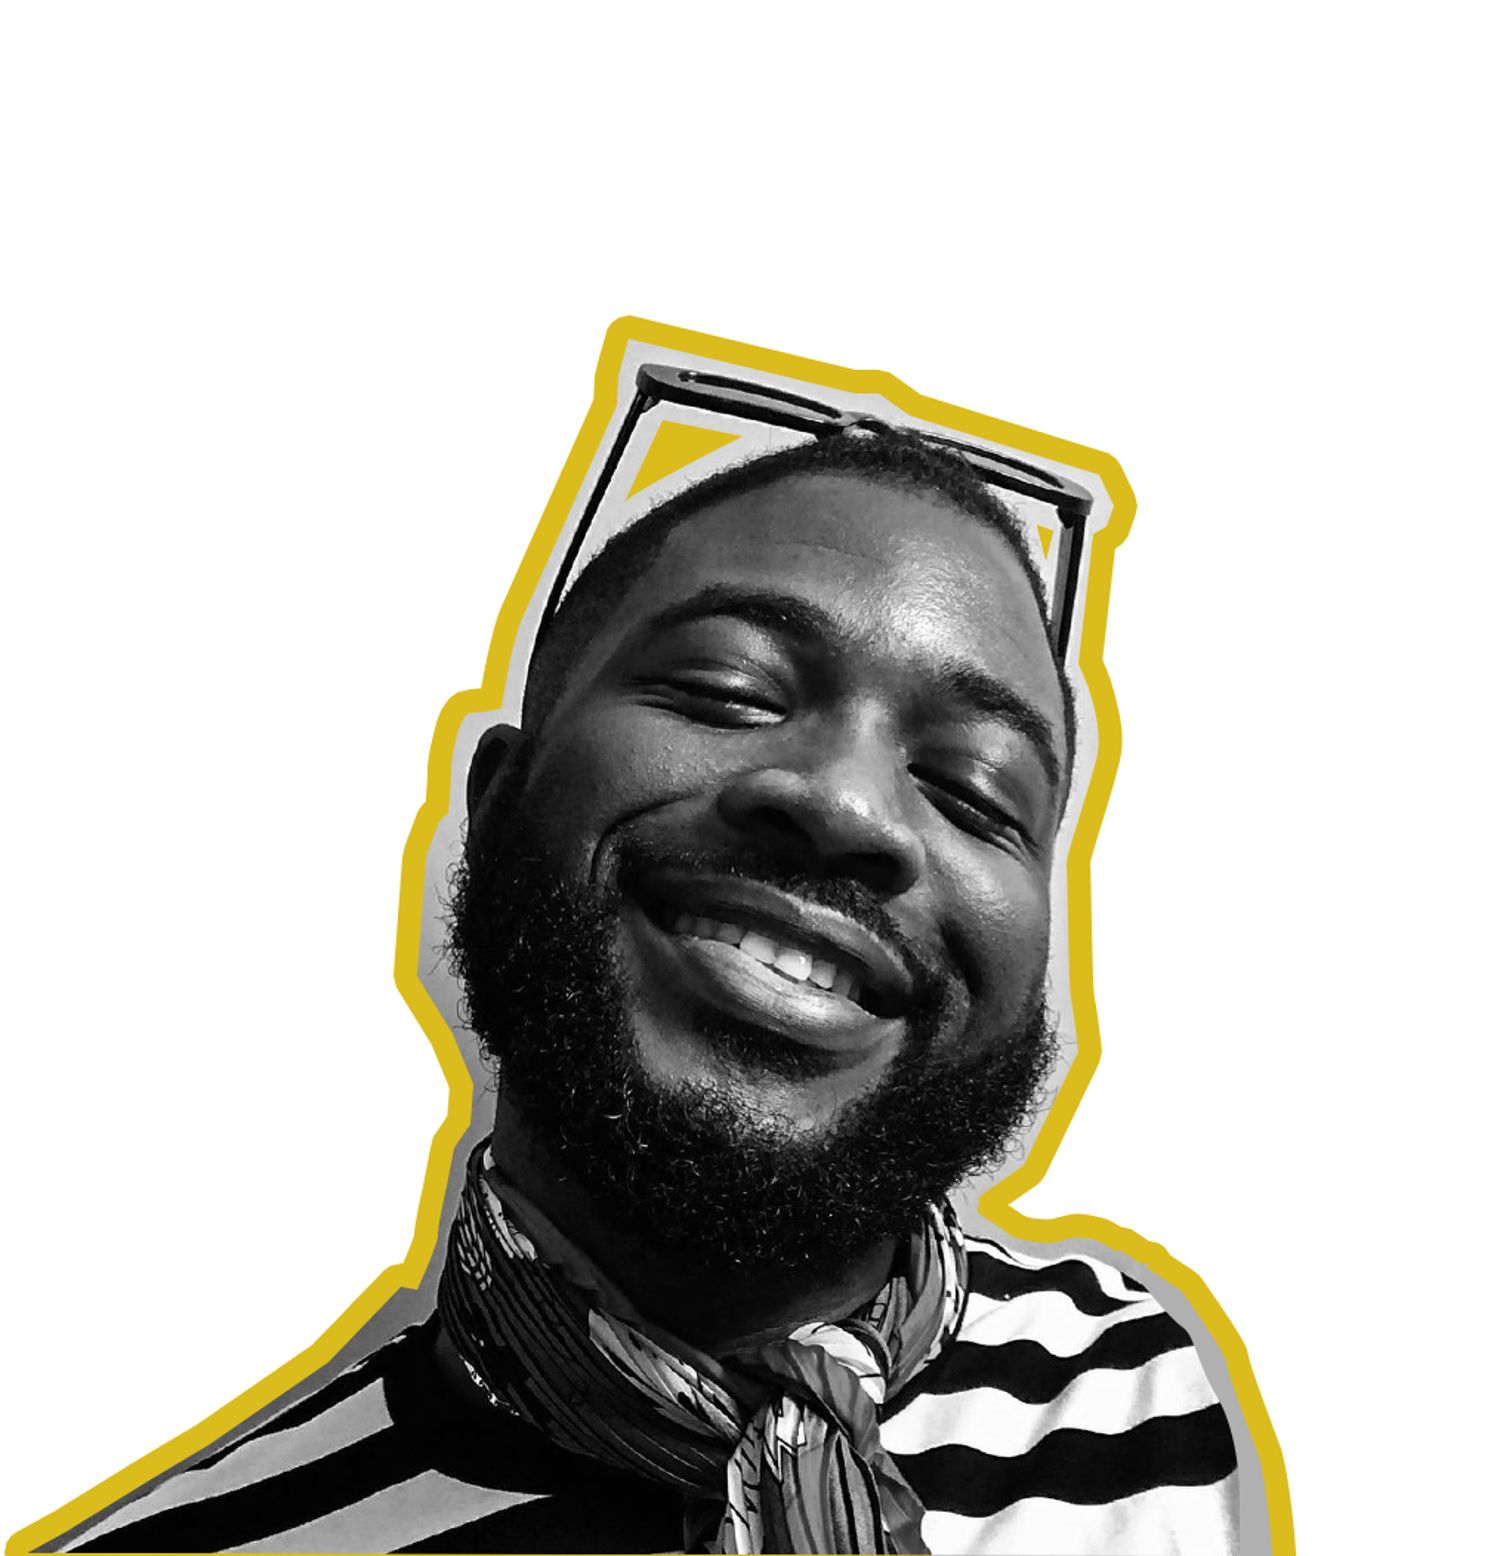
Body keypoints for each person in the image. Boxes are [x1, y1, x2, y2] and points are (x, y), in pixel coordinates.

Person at [46, 428, 1245, 1554]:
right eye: (728, 689)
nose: (847, 804)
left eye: (978, 790)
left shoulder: (1166, 1396)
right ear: (496, 802)